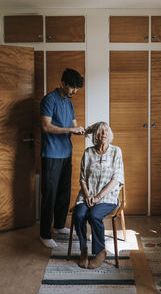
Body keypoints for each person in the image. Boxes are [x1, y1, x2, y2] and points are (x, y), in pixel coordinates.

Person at [40, 68, 85, 248]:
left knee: (63, 193)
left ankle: (59, 226)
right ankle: (44, 234)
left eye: (77, 88)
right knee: (49, 195)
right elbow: (45, 126)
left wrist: (83, 129)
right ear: (63, 83)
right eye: (72, 87)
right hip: (51, 154)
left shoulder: (69, 103)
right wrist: (70, 130)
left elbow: (73, 125)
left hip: (66, 153)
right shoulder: (49, 100)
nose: (75, 91)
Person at [73, 121, 124, 269]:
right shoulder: (88, 152)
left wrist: (98, 197)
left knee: (94, 215)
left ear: (110, 134)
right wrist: (88, 195)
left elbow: (116, 179)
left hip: (107, 197)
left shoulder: (116, 151)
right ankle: (83, 250)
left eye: (106, 131)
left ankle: (100, 251)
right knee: (79, 214)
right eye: (101, 131)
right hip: (87, 195)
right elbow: (82, 178)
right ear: (95, 135)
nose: (104, 134)